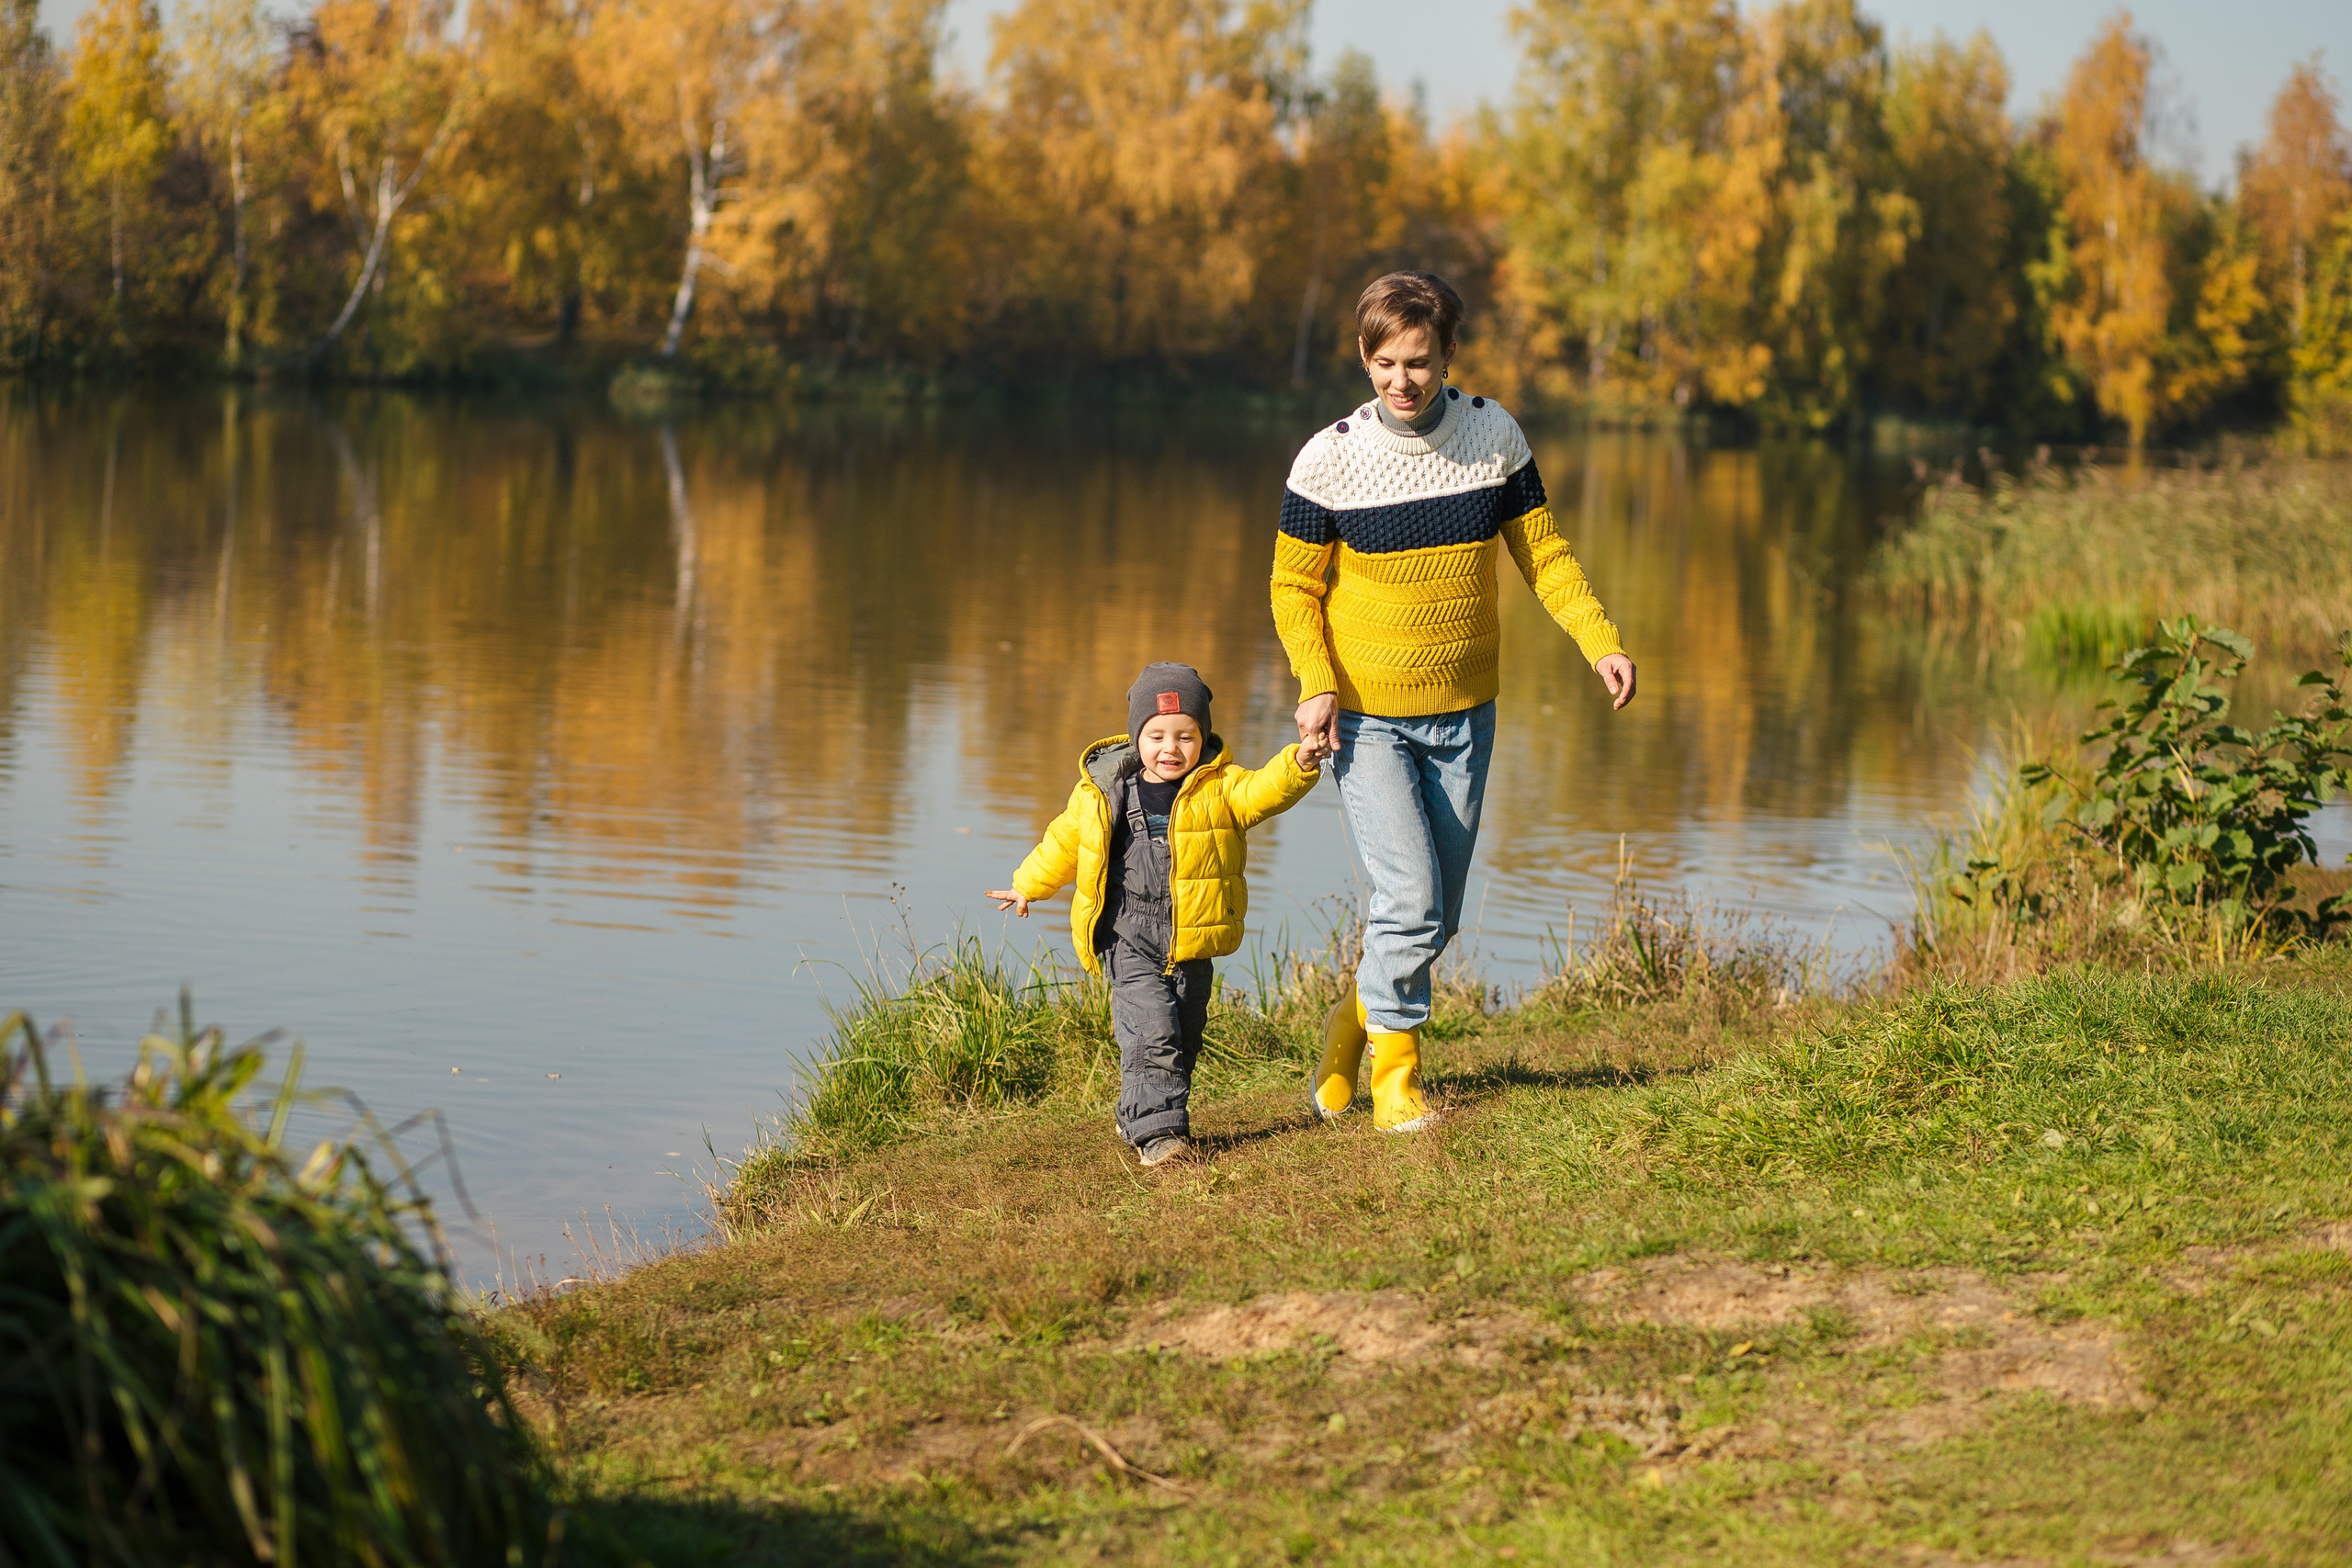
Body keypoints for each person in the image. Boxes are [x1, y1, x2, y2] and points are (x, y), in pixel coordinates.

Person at [1272, 270, 1636, 1134]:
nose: (1403, 380)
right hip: (1367, 717)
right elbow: (1294, 586)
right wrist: (1316, 682)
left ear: (1448, 356)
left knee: (1436, 916)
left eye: (1420, 362)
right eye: (1387, 362)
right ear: (1364, 357)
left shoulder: (1493, 435)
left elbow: (1544, 553)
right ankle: (1396, 1083)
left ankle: (1349, 1028)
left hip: (1467, 710)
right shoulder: (1330, 458)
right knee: (1410, 898)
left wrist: (1601, 640)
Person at [985, 662, 1324, 1168]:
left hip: (1192, 939)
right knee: (1151, 1030)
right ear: (1136, 737)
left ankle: (1137, 1114)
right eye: (1157, 736)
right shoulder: (1104, 793)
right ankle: (1160, 1137)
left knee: (1183, 1035)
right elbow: (1064, 843)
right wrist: (1027, 885)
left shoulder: (1222, 787)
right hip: (1128, 935)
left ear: (1203, 738)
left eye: (1186, 736)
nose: (1171, 748)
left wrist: (1298, 761)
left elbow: (1265, 790)